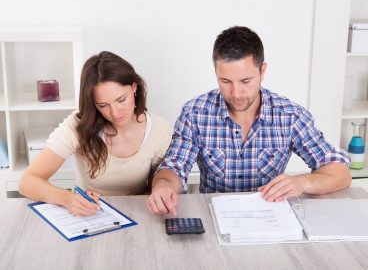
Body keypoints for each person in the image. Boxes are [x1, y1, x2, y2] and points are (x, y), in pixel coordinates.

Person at [147, 26, 351, 216]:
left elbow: (340, 173)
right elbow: (174, 167)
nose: (236, 93)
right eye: (225, 81)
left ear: (262, 71)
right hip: (215, 218)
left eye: (246, 81)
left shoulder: (290, 115)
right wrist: (163, 185)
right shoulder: (195, 113)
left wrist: (303, 182)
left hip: (271, 219)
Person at [19, 51, 173, 216]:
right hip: (91, 214)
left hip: (140, 212)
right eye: (102, 105)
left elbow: (161, 180)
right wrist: (66, 198)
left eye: (121, 100)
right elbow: (27, 182)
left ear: (134, 88)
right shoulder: (78, 126)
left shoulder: (159, 129)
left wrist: (162, 188)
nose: (115, 112)